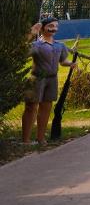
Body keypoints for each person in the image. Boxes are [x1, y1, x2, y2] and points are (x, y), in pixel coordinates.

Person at [22, 17, 76, 145]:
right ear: (42, 28)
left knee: (46, 107)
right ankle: (26, 140)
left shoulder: (60, 45)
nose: (53, 28)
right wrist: (31, 35)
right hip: (37, 79)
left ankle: (41, 138)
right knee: (31, 107)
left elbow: (62, 61)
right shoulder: (36, 45)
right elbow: (22, 52)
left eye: (56, 26)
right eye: (50, 26)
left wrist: (70, 64)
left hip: (52, 79)